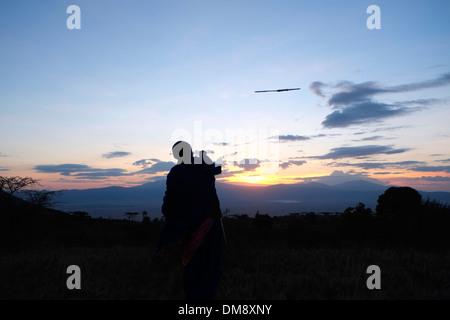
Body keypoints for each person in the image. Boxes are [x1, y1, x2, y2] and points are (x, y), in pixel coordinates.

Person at [156, 141, 223, 300]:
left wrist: (173, 223)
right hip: (213, 226)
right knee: (210, 270)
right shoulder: (206, 169)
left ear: (176, 155)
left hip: (190, 228)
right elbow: (211, 197)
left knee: (193, 272)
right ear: (190, 152)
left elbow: (170, 203)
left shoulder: (177, 173)